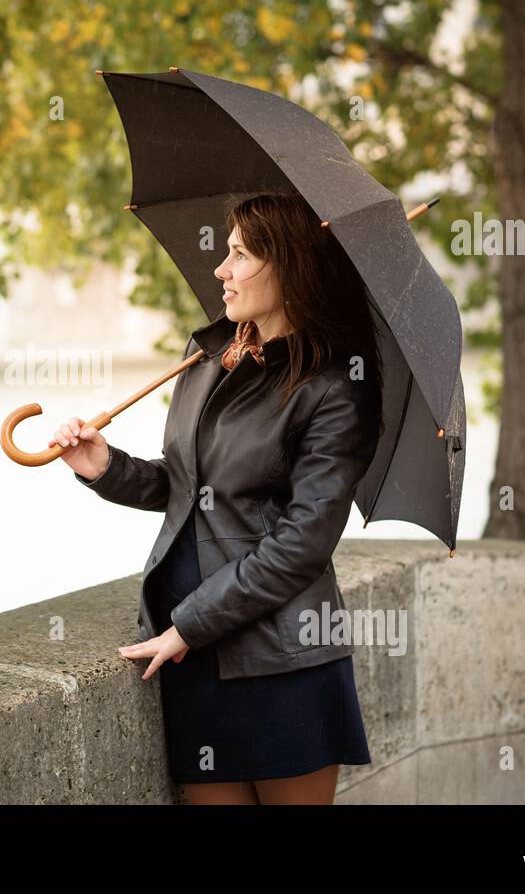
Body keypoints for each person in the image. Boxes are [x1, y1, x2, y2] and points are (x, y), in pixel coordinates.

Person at [51, 192, 384, 805]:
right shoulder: (206, 359)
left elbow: (301, 546)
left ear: (287, 266)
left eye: (238, 255)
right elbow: (188, 490)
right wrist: (103, 468)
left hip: (281, 657)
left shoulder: (335, 390)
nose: (220, 271)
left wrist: (190, 626)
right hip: (192, 656)